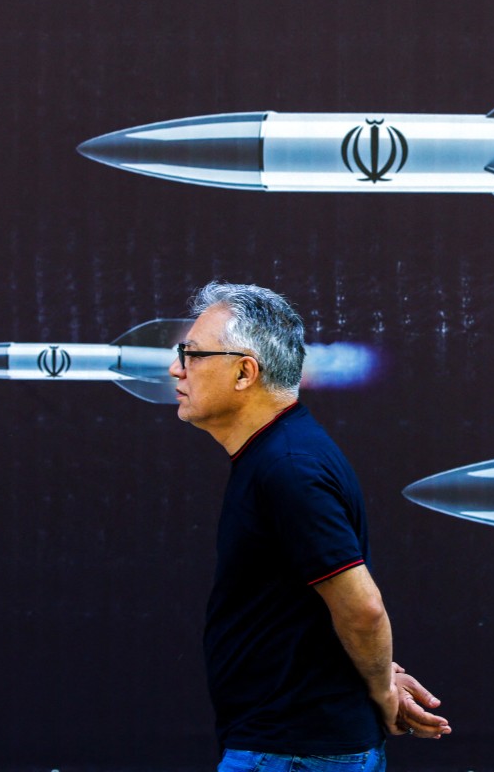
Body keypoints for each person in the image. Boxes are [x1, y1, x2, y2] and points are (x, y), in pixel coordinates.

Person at [168, 282, 450, 772]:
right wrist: (379, 676)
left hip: (294, 755)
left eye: (191, 354)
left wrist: (382, 688)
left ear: (243, 371)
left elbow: (361, 608)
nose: (176, 368)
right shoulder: (280, 453)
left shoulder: (288, 467)